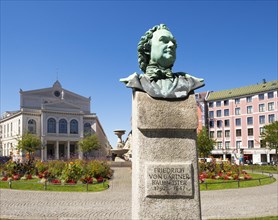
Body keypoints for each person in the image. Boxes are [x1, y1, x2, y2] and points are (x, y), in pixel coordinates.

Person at [121, 24, 205, 99]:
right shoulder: (137, 81)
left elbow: (182, 94)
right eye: (164, 40)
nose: (172, 45)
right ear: (148, 49)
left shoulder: (189, 81)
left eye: (174, 43)